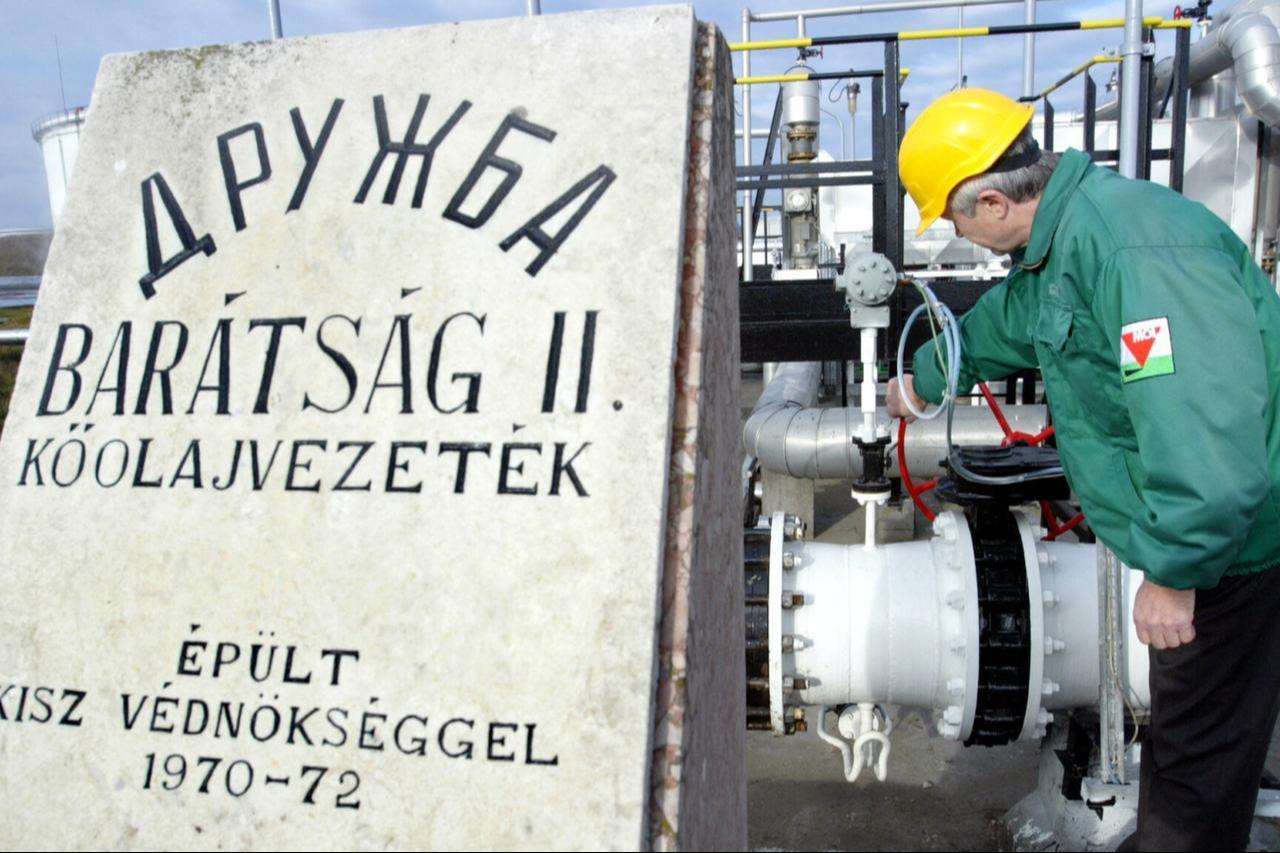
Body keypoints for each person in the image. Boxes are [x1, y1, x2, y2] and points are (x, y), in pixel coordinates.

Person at [887, 87, 1280, 851]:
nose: (961, 237)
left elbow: (1201, 425)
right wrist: (924, 379)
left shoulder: (1132, 248)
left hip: (1236, 550)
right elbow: (1006, 324)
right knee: (1200, 748)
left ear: (994, 201)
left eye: (955, 220)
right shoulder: (1064, 245)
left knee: (1192, 780)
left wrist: (1176, 570)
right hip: (1208, 542)